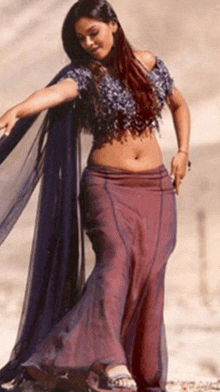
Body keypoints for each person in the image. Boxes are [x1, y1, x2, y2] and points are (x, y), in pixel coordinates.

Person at [0, 0, 190, 391]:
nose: (87, 43)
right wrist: (20, 108)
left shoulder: (150, 64)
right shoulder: (85, 74)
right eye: (80, 38)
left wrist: (183, 152)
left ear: (114, 26)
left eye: (94, 33)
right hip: (108, 185)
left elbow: (179, 104)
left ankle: (77, 359)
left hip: (155, 188)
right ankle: (108, 359)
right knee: (116, 261)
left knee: (151, 270)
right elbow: (55, 91)